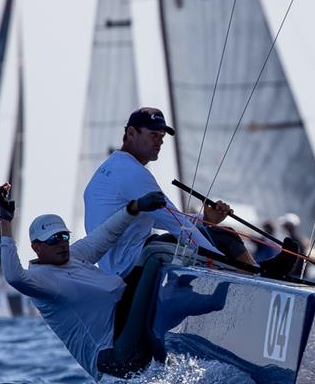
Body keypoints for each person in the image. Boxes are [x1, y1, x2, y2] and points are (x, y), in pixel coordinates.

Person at [0, 182, 170, 379]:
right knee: (153, 254)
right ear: (36, 247)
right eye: (53, 239)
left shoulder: (75, 255)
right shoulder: (41, 280)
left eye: (64, 236)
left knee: (158, 243)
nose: (61, 244)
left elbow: (107, 233)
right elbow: (13, 276)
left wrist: (135, 207)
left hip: (128, 329)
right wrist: (5, 222)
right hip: (116, 356)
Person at [83, 107, 257, 277]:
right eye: (153, 134)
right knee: (225, 237)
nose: (159, 141)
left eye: (162, 136)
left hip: (116, 267)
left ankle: (252, 273)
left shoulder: (111, 167)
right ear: (131, 133)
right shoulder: (132, 172)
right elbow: (177, 224)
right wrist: (219, 261)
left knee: (213, 237)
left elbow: (160, 218)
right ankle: (255, 278)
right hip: (130, 265)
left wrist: (205, 220)